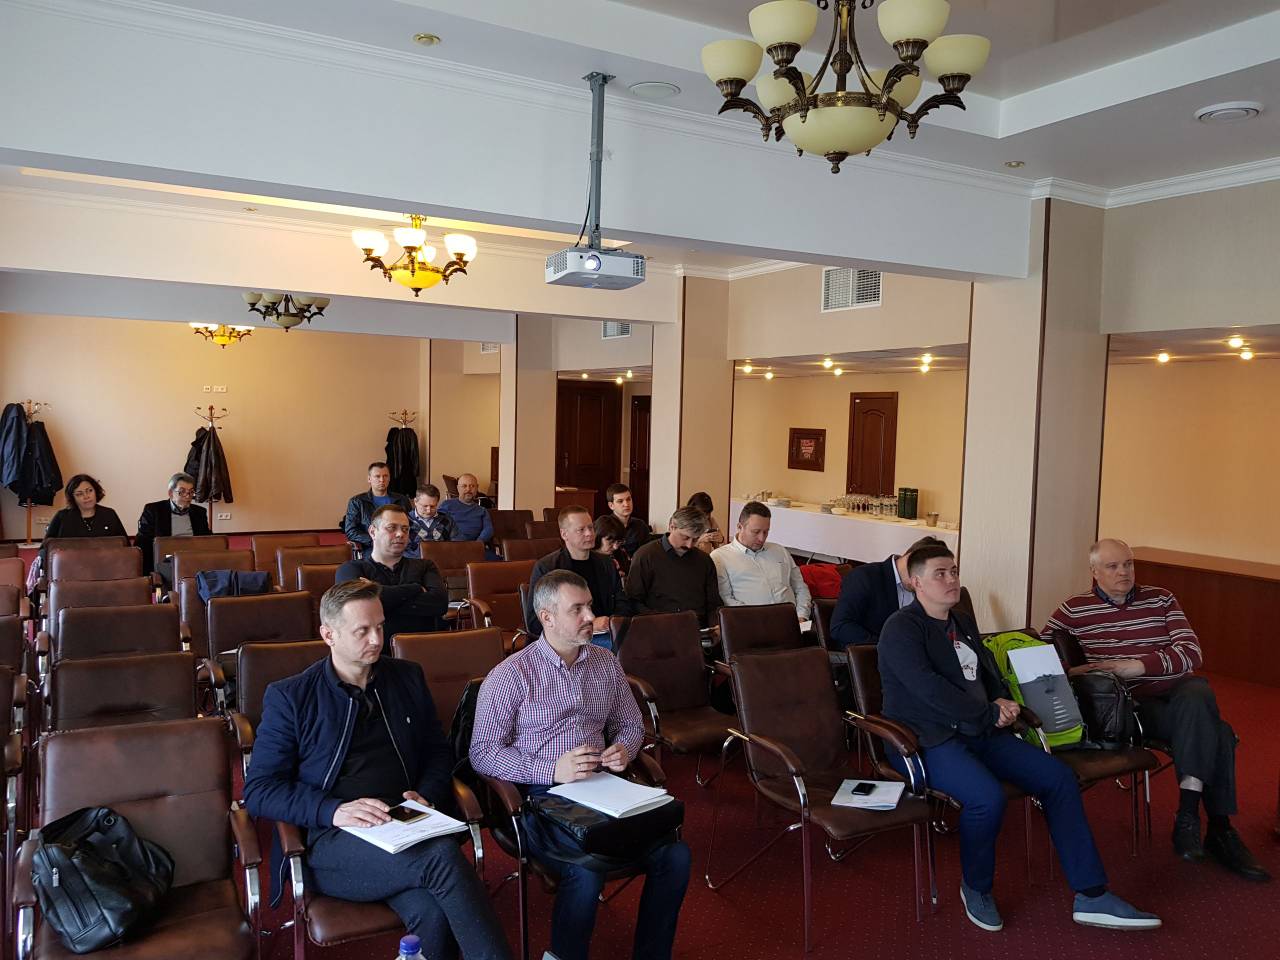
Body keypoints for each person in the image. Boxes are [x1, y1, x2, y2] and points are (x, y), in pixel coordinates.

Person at [878, 544, 1161, 933]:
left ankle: (1092, 894)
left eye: (954, 571)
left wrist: (1002, 700)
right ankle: (976, 887)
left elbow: (987, 672)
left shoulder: (961, 621)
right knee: (986, 799)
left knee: (1059, 778)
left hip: (979, 731)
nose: (951, 580)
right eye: (940, 574)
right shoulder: (901, 629)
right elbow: (928, 690)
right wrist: (987, 712)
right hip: (928, 738)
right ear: (916, 583)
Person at [244, 578, 511, 960]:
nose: (376, 639)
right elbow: (259, 790)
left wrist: (427, 793)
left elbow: (436, 752)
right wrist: (333, 810)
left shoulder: (406, 677)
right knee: (441, 858)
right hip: (333, 840)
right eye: (362, 631)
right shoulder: (292, 697)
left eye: (380, 627)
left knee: (433, 912)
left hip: (405, 822)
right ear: (328, 635)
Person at [470, 570, 690, 960]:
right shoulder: (511, 676)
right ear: (547, 617)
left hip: (605, 788)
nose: (591, 616)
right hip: (542, 798)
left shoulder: (605, 663)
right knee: (585, 872)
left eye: (590, 606)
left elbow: (630, 724)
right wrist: (551, 770)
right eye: (577, 609)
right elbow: (483, 752)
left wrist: (623, 749)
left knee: (676, 856)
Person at [1042, 538, 1269, 881]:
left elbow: (1192, 652)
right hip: (1134, 707)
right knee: (1218, 731)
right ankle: (1219, 829)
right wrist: (1073, 671)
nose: (1123, 572)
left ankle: (1189, 816)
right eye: (1113, 566)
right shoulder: (1074, 609)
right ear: (1094, 571)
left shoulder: (1162, 598)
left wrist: (1138, 665)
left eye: (1128, 564)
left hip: (1180, 693)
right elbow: (1039, 652)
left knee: (1196, 691)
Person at [337, 505, 448, 639]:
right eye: (391, 528)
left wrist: (377, 594)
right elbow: (359, 607)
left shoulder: (425, 566)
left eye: (405, 529)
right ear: (373, 532)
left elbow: (440, 605)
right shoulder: (350, 569)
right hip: (374, 648)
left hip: (421, 646)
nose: (400, 534)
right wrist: (415, 588)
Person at [526, 506, 628, 642]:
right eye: (581, 530)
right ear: (564, 534)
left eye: (591, 528)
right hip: (567, 639)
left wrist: (612, 621)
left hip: (607, 633)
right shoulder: (547, 567)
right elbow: (535, 621)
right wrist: (589, 624)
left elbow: (622, 603)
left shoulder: (606, 563)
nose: (589, 534)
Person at [829, 535, 947, 648]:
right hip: (872, 655)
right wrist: (889, 646)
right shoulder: (865, 577)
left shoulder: (925, 587)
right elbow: (840, 627)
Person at [710, 500, 811, 621]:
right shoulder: (720, 557)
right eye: (756, 532)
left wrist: (802, 615)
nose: (761, 538)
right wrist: (759, 620)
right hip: (753, 622)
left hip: (792, 620)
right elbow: (726, 599)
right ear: (739, 527)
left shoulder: (779, 550)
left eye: (766, 532)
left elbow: (800, 587)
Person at [625, 506, 722, 628]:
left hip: (698, 629)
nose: (689, 545)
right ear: (672, 527)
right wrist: (659, 621)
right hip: (658, 628)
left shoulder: (704, 561)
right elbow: (633, 601)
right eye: (685, 537)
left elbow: (713, 604)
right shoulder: (645, 556)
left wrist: (716, 626)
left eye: (695, 539)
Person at [39, 473, 129, 570]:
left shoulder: (109, 514)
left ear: (95, 491)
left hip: (106, 566)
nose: (86, 496)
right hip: (71, 568)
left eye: (89, 491)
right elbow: (45, 548)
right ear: (73, 497)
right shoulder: (62, 517)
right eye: (79, 494)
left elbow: (125, 544)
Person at [136, 472, 211, 581]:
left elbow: (207, 539)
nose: (188, 496)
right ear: (171, 493)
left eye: (191, 492)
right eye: (182, 492)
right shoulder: (154, 510)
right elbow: (143, 542)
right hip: (167, 558)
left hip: (192, 556)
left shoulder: (199, 512)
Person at [343, 462, 411, 560]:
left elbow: (411, 525)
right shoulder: (357, 501)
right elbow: (351, 531)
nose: (382, 480)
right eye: (377, 476)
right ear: (369, 479)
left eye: (385, 476)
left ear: (389, 478)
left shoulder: (402, 500)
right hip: (371, 546)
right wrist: (376, 540)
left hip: (399, 544)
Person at [436, 473, 494, 549]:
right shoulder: (447, 505)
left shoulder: (482, 511)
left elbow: (488, 529)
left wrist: (478, 543)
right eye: (464, 486)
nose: (468, 489)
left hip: (475, 546)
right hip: (451, 547)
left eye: (472, 486)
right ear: (458, 488)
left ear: (477, 488)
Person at [599, 483, 651, 558]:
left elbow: (647, 553)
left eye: (628, 499)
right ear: (611, 505)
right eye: (620, 501)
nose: (626, 504)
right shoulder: (604, 526)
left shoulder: (640, 525)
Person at [404, 483, 455, 559]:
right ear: (415, 502)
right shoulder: (404, 521)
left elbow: (458, 545)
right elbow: (399, 549)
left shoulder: (447, 520)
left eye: (432, 506)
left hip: (441, 561)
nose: (428, 511)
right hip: (413, 562)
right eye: (425, 506)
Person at [593, 513, 628, 579]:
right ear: (598, 536)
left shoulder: (620, 554)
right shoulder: (586, 556)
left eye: (619, 542)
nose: (615, 547)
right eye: (611, 542)